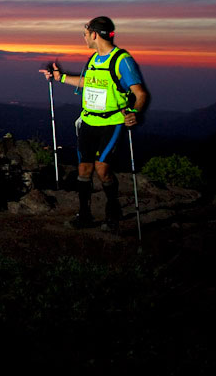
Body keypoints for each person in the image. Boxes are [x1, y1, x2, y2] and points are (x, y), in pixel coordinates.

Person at [39, 16, 149, 232]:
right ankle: (84, 215)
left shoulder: (121, 60)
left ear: (95, 35)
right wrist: (59, 77)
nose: (84, 37)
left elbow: (140, 93)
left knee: (102, 169)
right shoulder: (93, 60)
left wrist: (135, 112)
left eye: (86, 33)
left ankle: (112, 211)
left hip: (112, 122)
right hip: (88, 121)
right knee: (83, 169)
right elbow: (87, 82)